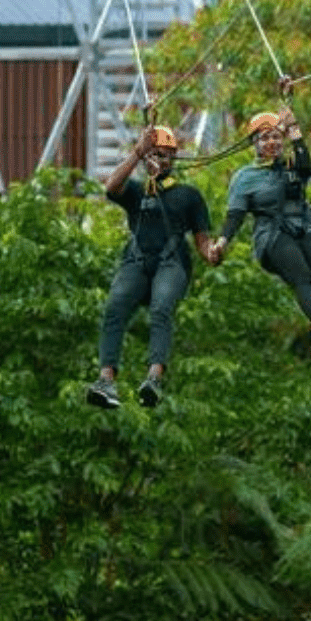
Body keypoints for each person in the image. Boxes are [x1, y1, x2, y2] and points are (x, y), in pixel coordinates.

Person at [210, 108, 311, 346]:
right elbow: (235, 215)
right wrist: (222, 242)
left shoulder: (292, 165)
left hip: (303, 225)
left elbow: (307, 167)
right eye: (265, 138)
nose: (272, 143)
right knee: (301, 274)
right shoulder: (245, 177)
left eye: (276, 137)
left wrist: (295, 132)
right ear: (254, 143)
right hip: (272, 236)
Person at [87, 126, 221, 410]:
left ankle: (154, 378)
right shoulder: (135, 191)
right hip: (136, 261)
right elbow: (110, 187)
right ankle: (106, 380)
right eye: (154, 154)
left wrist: (213, 254)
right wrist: (137, 151)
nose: (158, 160)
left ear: (173, 158)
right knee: (114, 308)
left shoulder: (188, 195)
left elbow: (201, 241)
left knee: (161, 309)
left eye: (164, 155)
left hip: (171, 263)